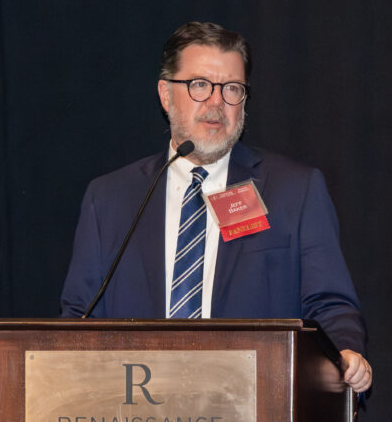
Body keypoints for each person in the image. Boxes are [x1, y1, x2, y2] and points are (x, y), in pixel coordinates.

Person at [60, 21, 372, 393]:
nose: (216, 103)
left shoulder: (293, 191)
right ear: (165, 94)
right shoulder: (111, 198)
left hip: (257, 409)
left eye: (232, 89)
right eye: (199, 85)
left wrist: (346, 352)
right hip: (136, 420)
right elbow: (80, 318)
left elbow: (330, 305)